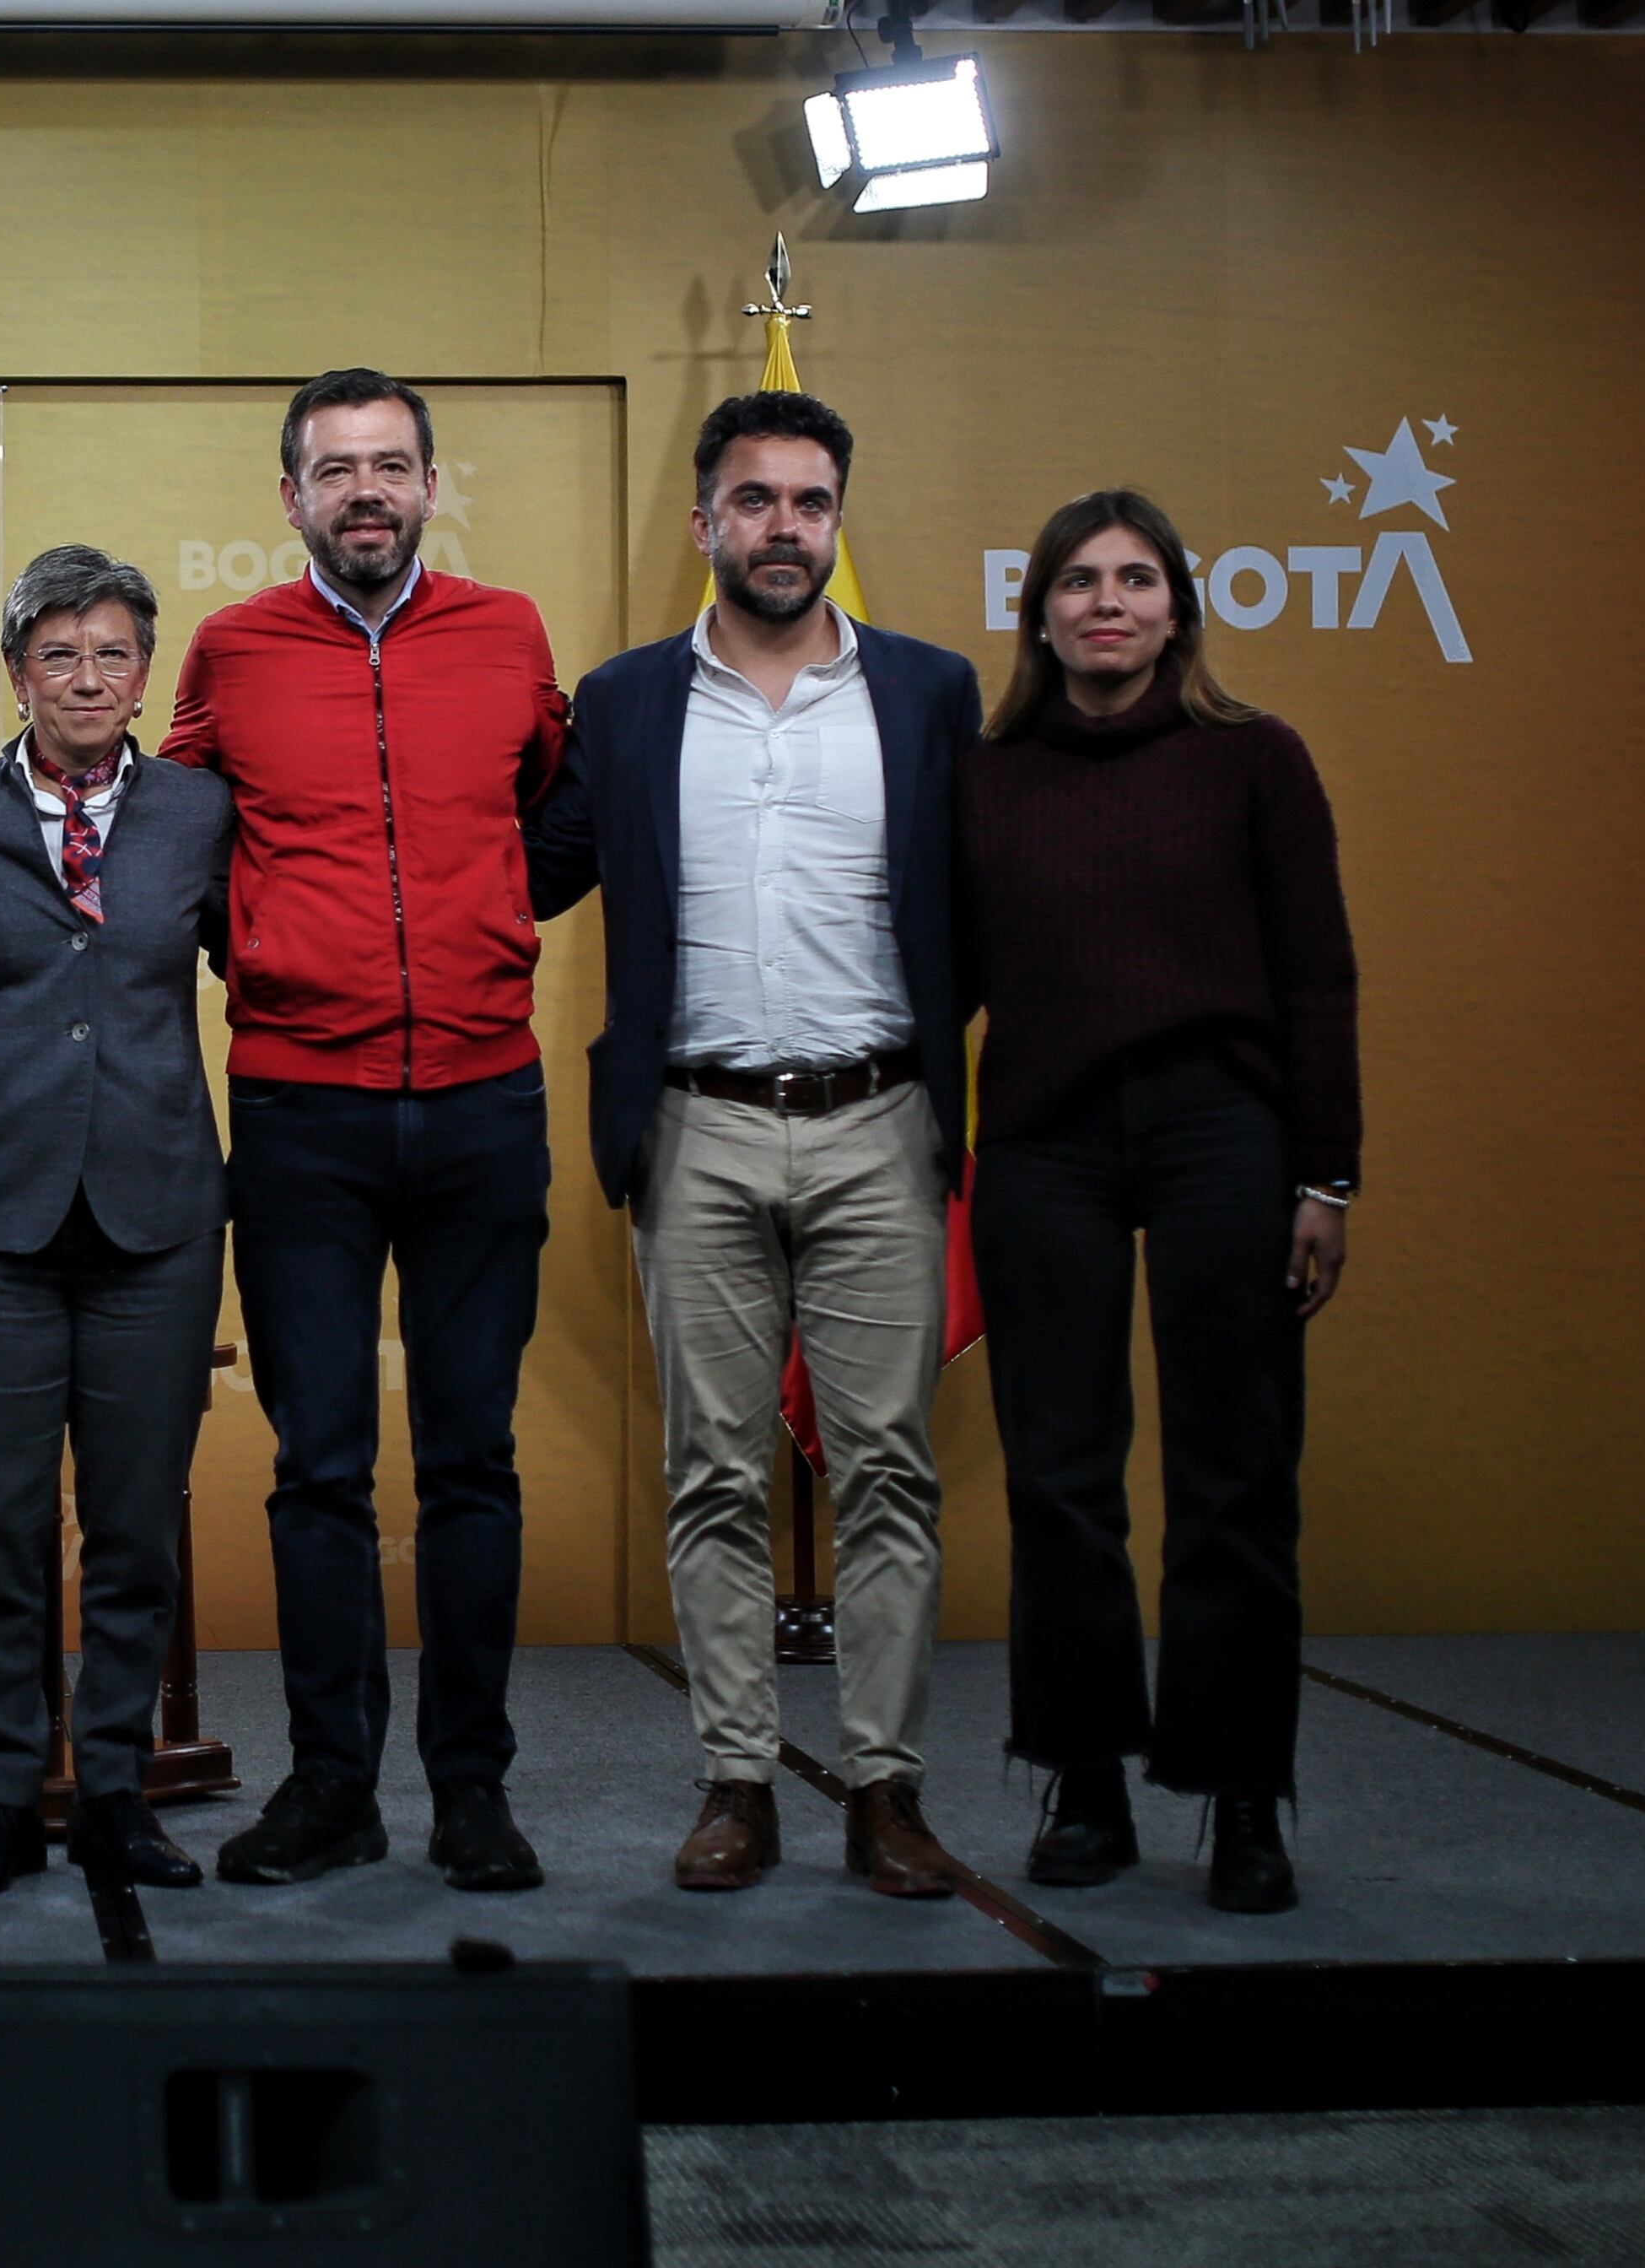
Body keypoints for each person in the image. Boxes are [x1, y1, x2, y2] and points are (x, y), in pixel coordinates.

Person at [525, 391, 979, 1899]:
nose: (783, 527)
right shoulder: (628, 701)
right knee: (712, 1474)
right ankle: (736, 1782)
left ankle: (885, 1791)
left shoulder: (929, 693)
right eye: (754, 500)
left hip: (881, 1127)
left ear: (836, 522)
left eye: (809, 502)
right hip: (699, 1129)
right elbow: (519, 870)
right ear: (705, 521)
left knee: (888, 1475)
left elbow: (980, 901)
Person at [159, 370, 570, 1893]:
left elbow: (558, 807)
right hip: (298, 1112)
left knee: (474, 1462)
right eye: (336, 471)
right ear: (291, 499)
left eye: (391, 465)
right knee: (318, 1466)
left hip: (481, 1100)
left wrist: (493, 928)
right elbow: (180, 841)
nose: (367, 492)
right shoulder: (230, 650)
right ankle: (333, 1787)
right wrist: (260, 950)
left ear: (430, 483)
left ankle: (474, 1790)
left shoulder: (511, 633)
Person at [957, 489, 1358, 1916]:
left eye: (1135, 580)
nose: (1106, 602)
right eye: (1078, 581)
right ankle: (1086, 1783)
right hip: (1046, 1149)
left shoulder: (1256, 762)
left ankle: (1244, 1797)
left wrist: (1328, 1174)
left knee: (1234, 1482)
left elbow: (1318, 977)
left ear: (1179, 608)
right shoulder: (986, 777)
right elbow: (946, 986)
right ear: (1041, 612)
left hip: (1224, 1140)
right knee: (1063, 1486)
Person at [0, 546, 236, 1900]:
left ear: (146, 671)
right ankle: (0, 1794)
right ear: (16, 672)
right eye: (60, 654)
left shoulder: (206, 813)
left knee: (135, 1525)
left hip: (157, 1212)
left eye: (113, 652)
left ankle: (113, 1792)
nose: (89, 678)